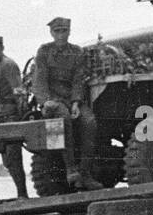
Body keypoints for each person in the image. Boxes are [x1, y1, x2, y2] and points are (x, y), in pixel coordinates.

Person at [33, 17, 103, 190]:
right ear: (51, 33)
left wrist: (76, 103)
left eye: (64, 31)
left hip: (70, 98)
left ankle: (85, 174)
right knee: (63, 119)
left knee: (89, 122)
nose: (61, 35)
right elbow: (39, 80)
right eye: (57, 31)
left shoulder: (77, 52)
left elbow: (78, 81)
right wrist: (45, 102)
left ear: (69, 32)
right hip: (52, 99)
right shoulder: (44, 51)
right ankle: (71, 169)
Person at [0, 35, 29, 199]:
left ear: (2, 48)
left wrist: (21, 114)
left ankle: (22, 195)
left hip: (11, 114)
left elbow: (19, 91)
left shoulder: (7, 65)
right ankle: (21, 194)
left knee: (13, 157)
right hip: (4, 114)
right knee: (9, 160)